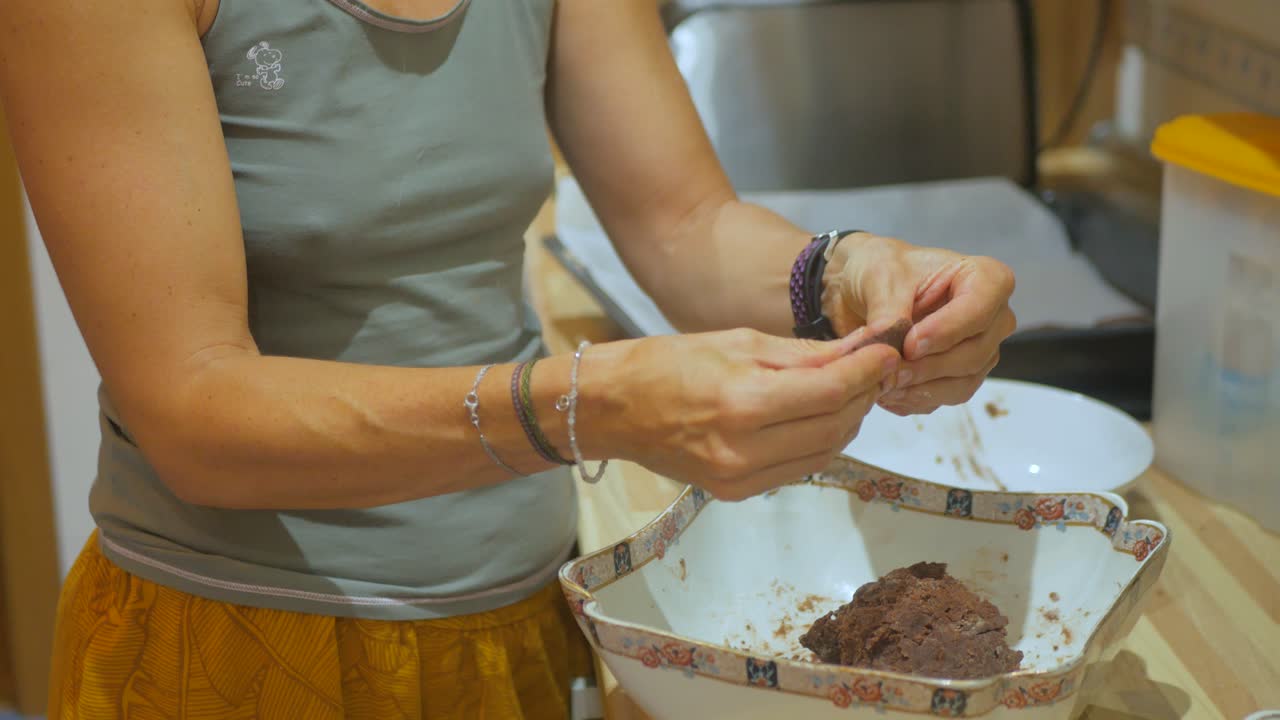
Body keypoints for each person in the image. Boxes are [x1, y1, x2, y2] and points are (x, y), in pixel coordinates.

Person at [0, 0, 1015, 717]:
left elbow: (684, 223)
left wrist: (851, 275)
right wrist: (592, 404)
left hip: (525, 609)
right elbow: (192, 413)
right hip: (242, 642)